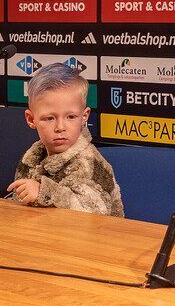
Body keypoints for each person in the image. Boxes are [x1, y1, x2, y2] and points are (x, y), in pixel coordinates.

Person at [7, 63, 124, 217]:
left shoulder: (89, 163)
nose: (60, 127)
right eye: (49, 118)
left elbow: (95, 213)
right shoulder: (31, 160)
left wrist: (45, 192)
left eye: (71, 117)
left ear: (84, 117)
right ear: (31, 119)